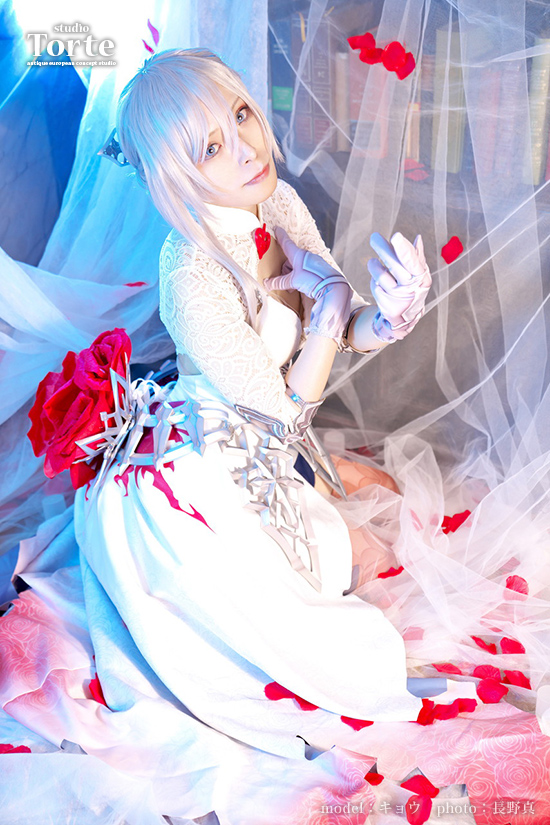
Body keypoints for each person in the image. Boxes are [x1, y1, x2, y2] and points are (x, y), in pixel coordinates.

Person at [0, 47, 549, 825]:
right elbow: (281, 413)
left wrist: (392, 315)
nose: (247, 148)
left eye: (241, 115)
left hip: (264, 454)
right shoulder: (190, 275)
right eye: (211, 147)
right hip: (196, 475)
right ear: (175, 175)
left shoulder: (278, 203)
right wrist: (331, 317)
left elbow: (340, 322)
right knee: (311, 645)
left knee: (350, 564)